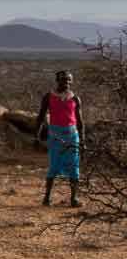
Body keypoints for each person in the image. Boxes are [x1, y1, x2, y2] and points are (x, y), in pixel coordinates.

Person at [35, 70, 84, 207]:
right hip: (55, 135)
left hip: (72, 135)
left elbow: (80, 121)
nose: (66, 82)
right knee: (53, 166)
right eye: (63, 80)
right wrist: (36, 136)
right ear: (57, 81)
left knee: (74, 166)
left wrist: (82, 140)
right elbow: (40, 117)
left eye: (69, 80)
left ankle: (74, 199)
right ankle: (46, 198)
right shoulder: (48, 97)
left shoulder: (75, 98)